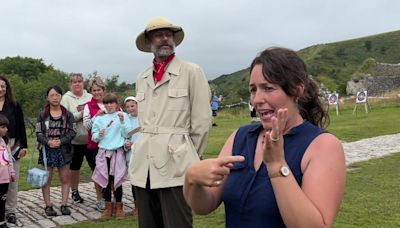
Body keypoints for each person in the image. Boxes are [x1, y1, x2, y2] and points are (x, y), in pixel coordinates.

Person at [184, 47, 346, 227]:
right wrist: (192, 180)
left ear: (297, 91)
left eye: (268, 88)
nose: (256, 99)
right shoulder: (240, 137)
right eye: (253, 90)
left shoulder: (322, 146)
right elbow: (205, 205)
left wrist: (277, 166)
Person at [129, 17, 212, 228]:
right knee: (148, 223)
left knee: (178, 223)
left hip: (176, 162)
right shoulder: (142, 77)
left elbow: (202, 121)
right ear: (149, 42)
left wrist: (189, 154)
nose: (165, 38)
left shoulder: (191, 71)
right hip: (144, 165)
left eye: (168, 34)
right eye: (158, 35)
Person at [35, 85, 76, 216]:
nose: (55, 97)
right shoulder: (42, 115)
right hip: (47, 151)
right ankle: (48, 205)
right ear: (47, 97)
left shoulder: (68, 115)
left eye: (57, 95)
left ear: (61, 97)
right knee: (46, 179)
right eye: (52, 95)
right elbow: (38, 132)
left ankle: (64, 204)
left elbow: (72, 131)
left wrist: (61, 141)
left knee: (65, 178)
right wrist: (48, 142)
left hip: (64, 150)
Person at [91, 93, 130, 219]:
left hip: (117, 152)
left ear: (116, 104)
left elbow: (126, 134)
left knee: (117, 181)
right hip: (104, 153)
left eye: (111, 103)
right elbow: (94, 137)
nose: (109, 105)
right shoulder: (100, 119)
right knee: (106, 181)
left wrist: (123, 122)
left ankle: (119, 207)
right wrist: (99, 135)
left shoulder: (122, 116)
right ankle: (108, 207)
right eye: (106, 103)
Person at [61, 73, 93, 204]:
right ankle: (75, 191)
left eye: (79, 81)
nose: (77, 84)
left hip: (91, 139)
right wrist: (82, 113)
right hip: (74, 140)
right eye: (74, 82)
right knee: (75, 167)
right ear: (71, 84)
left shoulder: (90, 96)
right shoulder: (66, 98)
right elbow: (67, 117)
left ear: (83, 83)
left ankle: (101, 192)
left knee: (96, 166)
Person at [0, 76, 28, 224]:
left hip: (11, 146)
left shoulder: (14, 105)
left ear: (7, 88)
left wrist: (24, 146)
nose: (0, 89)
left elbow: (22, 126)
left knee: (11, 179)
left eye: (3, 86)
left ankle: (10, 211)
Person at [82, 77, 106, 211]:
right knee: (98, 173)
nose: (97, 93)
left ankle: (111, 197)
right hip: (95, 145)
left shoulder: (111, 103)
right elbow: (86, 126)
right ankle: (100, 199)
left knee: (112, 172)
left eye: (99, 90)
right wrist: (96, 115)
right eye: (94, 90)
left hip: (112, 145)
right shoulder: (88, 106)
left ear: (104, 90)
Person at [123, 96, 140, 216]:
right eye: (128, 107)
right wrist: (126, 144)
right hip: (131, 154)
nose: (130, 109)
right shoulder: (125, 119)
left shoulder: (144, 118)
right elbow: (123, 135)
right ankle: (137, 206)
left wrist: (137, 144)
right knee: (134, 181)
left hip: (143, 153)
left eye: (132, 106)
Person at [0, 114, 16, 228]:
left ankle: (1, 220)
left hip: (4, 179)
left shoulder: (5, 142)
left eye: (6, 127)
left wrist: (12, 172)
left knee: (2, 200)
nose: (6, 129)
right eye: (2, 127)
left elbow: (9, 158)